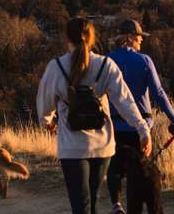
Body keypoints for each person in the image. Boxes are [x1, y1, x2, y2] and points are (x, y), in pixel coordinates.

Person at [37, 17, 152, 214]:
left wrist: (47, 123)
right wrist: (143, 130)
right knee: (93, 201)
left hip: (72, 148)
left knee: (80, 205)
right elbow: (125, 101)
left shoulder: (56, 67)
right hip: (102, 146)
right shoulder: (106, 65)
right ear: (91, 38)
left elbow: (44, 107)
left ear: (68, 38)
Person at [106, 19, 174, 214]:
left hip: (115, 128)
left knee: (115, 167)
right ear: (130, 37)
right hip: (141, 130)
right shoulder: (144, 61)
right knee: (141, 173)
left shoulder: (107, 61)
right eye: (139, 36)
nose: (141, 40)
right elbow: (158, 93)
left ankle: (116, 204)